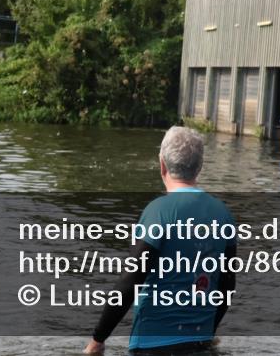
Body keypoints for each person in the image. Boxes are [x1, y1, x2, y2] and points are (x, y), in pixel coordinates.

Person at [85, 127, 236, 355]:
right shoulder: (223, 214)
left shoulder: (158, 212)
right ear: (200, 166)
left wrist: (98, 339)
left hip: (152, 345)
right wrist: (208, 332)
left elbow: (131, 280)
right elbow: (227, 286)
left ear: (162, 164)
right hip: (201, 344)